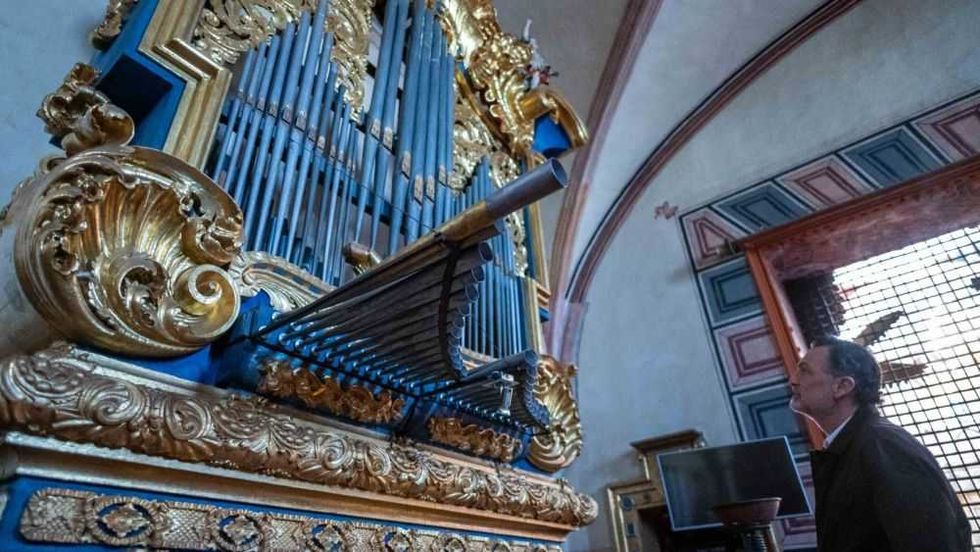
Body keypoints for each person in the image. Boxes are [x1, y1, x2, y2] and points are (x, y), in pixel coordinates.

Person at [789, 336, 971, 552]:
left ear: (842, 386)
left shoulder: (884, 445)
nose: (793, 380)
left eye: (805, 371)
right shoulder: (856, 445)